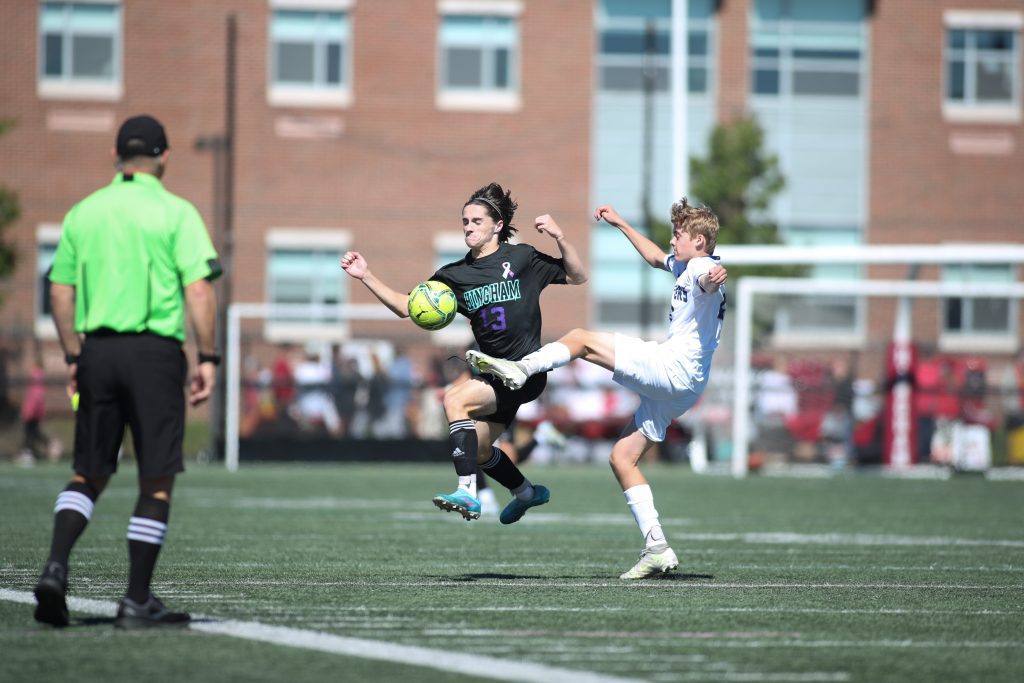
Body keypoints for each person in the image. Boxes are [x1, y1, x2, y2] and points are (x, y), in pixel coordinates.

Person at [468, 199, 727, 578]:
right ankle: (657, 548)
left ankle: (523, 369)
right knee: (622, 458)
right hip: (687, 386)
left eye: (678, 235)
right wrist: (621, 222)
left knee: (581, 339)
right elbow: (656, 258)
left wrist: (713, 279)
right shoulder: (686, 265)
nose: (672, 241)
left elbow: (709, 279)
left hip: (674, 368)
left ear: (699, 241)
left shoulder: (702, 268)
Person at [34, 114, 221, 628]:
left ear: (116, 157)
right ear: (164, 157)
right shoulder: (176, 212)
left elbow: (59, 291)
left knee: (88, 471)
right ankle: (136, 599)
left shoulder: (84, 212)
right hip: (154, 355)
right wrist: (207, 358)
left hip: (97, 352)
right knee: (155, 478)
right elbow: (199, 289)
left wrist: (74, 356)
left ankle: (55, 566)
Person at [341, 182, 586, 522]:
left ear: (498, 225)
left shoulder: (522, 258)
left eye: (476, 221)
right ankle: (526, 492)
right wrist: (366, 275)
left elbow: (577, 276)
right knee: (480, 450)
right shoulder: (453, 275)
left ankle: (467, 492)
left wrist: (560, 237)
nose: (468, 227)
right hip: (493, 376)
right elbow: (405, 307)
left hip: (525, 372)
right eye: (465, 222)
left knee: (454, 399)